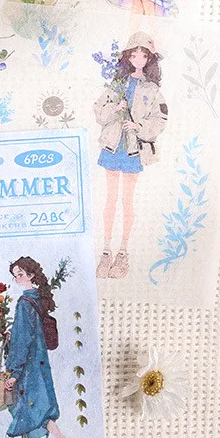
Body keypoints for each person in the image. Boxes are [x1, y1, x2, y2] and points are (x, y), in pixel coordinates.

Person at [0, 257, 78, 438]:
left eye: (20, 274)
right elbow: (30, 332)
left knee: (35, 408)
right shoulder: (38, 298)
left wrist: (14, 372)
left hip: (28, 365)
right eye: (15, 276)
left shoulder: (24, 303)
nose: (17, 279)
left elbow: (23, 340)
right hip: (39, 361)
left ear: (31, 275)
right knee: (29, 407)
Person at [94, 32, 168, 279]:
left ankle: (123, 251)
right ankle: (106, 250)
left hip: (133, 149)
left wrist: (138, 126)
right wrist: (115, 108)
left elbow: (161, 119)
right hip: (112, 146)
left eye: (144, 55)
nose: (138, 59)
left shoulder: (152, 89)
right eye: (134, 54)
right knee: (110, 199)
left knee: (127, 200)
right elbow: (99, 112)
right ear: (127, 56)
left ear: (149, 59)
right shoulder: (116, 84)